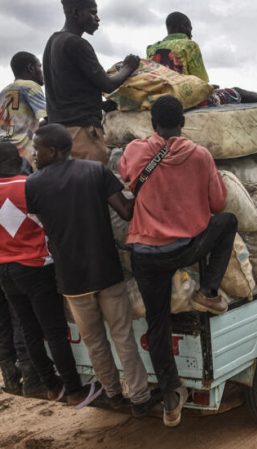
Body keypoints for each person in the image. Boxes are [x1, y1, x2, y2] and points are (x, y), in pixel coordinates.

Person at [119, 95, 237, 427]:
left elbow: (125, 174)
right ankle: (209, 291)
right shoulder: (200, 155)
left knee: (158, 324)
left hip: (145, 254)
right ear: (182, 122)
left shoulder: (136, 151)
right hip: (186, 248)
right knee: (227, 223)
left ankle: (171, 394)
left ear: (153, 124)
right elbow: (219, 203)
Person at [26, 124, 158, 416]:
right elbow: (125, 211)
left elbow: (43, 222)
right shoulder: (95, 172)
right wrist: (149, 187)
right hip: (107, 271)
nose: (33, 154)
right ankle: (140, 398)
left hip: (72, 280)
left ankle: (113, 394)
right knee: (122, 336)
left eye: (37, 149)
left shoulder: (33, 185)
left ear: (53, 150)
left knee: (95, 342)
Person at [0, 142, 103, 406]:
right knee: (54, 332)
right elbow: (52, 222)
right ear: (17, 158)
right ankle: (74, 390)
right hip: (36, 267)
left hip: (6, 270)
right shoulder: (30, 185)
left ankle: (51, 385)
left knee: (29, 329)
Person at [43, 0, 141, 163]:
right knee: (90, 183)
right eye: (92, 12)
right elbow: (108, 85)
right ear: (76, 13)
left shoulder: (53, 41)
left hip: (59, 132)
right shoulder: (76, 43)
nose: (97, 19)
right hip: (82, 132)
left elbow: (74, 87)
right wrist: (128, 68)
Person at [147, 11, 257, 105]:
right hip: (188, 100)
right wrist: (208, 88)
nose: (191, 33)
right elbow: (202, 81)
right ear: (182, 26)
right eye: (189, 28)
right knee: (238, 92)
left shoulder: (151, 48)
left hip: (160, 101)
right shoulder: (189, 45)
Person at [0, 52, 47, 168]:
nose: (42, 71)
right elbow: (50, 118)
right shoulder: (30, 86)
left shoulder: (4, 92)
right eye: (39, 66)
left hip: (4, 152)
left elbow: (12, 126)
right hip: (24, 153)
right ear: (30, 68)